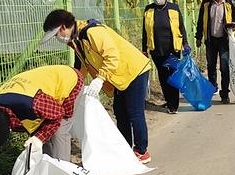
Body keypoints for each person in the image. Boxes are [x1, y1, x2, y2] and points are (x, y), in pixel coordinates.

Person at [42, 9, 154, 164]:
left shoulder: (92, 32)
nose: (57, 38)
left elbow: (112, 56)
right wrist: (75, 87)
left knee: (134, 112)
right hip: (118, 75)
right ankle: (125, 149)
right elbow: (81, 65)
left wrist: (100, 78)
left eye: (55, 35)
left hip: (134, 70)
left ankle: (141, 151)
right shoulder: (76, 40)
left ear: (62, 28)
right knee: (120, 113)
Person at [143, 0, 190, 114]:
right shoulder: (148, 10)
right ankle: (169, 102)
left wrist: (185, 43)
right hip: (156, 50)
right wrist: (144, 49)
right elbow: (144, 31)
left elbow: (181, 27)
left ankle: (174, 104)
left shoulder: (173, 8)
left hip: (173, 49)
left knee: (172, 75)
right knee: (163, 77)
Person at [195, 0, 235, 104]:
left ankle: (225, 93)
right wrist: (198, 37)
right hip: (210, 39)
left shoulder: (229, 2)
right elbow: (200, 20)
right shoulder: (206, 2)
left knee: (225, 68)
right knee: (211, 66)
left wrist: (234, 25)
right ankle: (212, 87)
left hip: (224, 40)